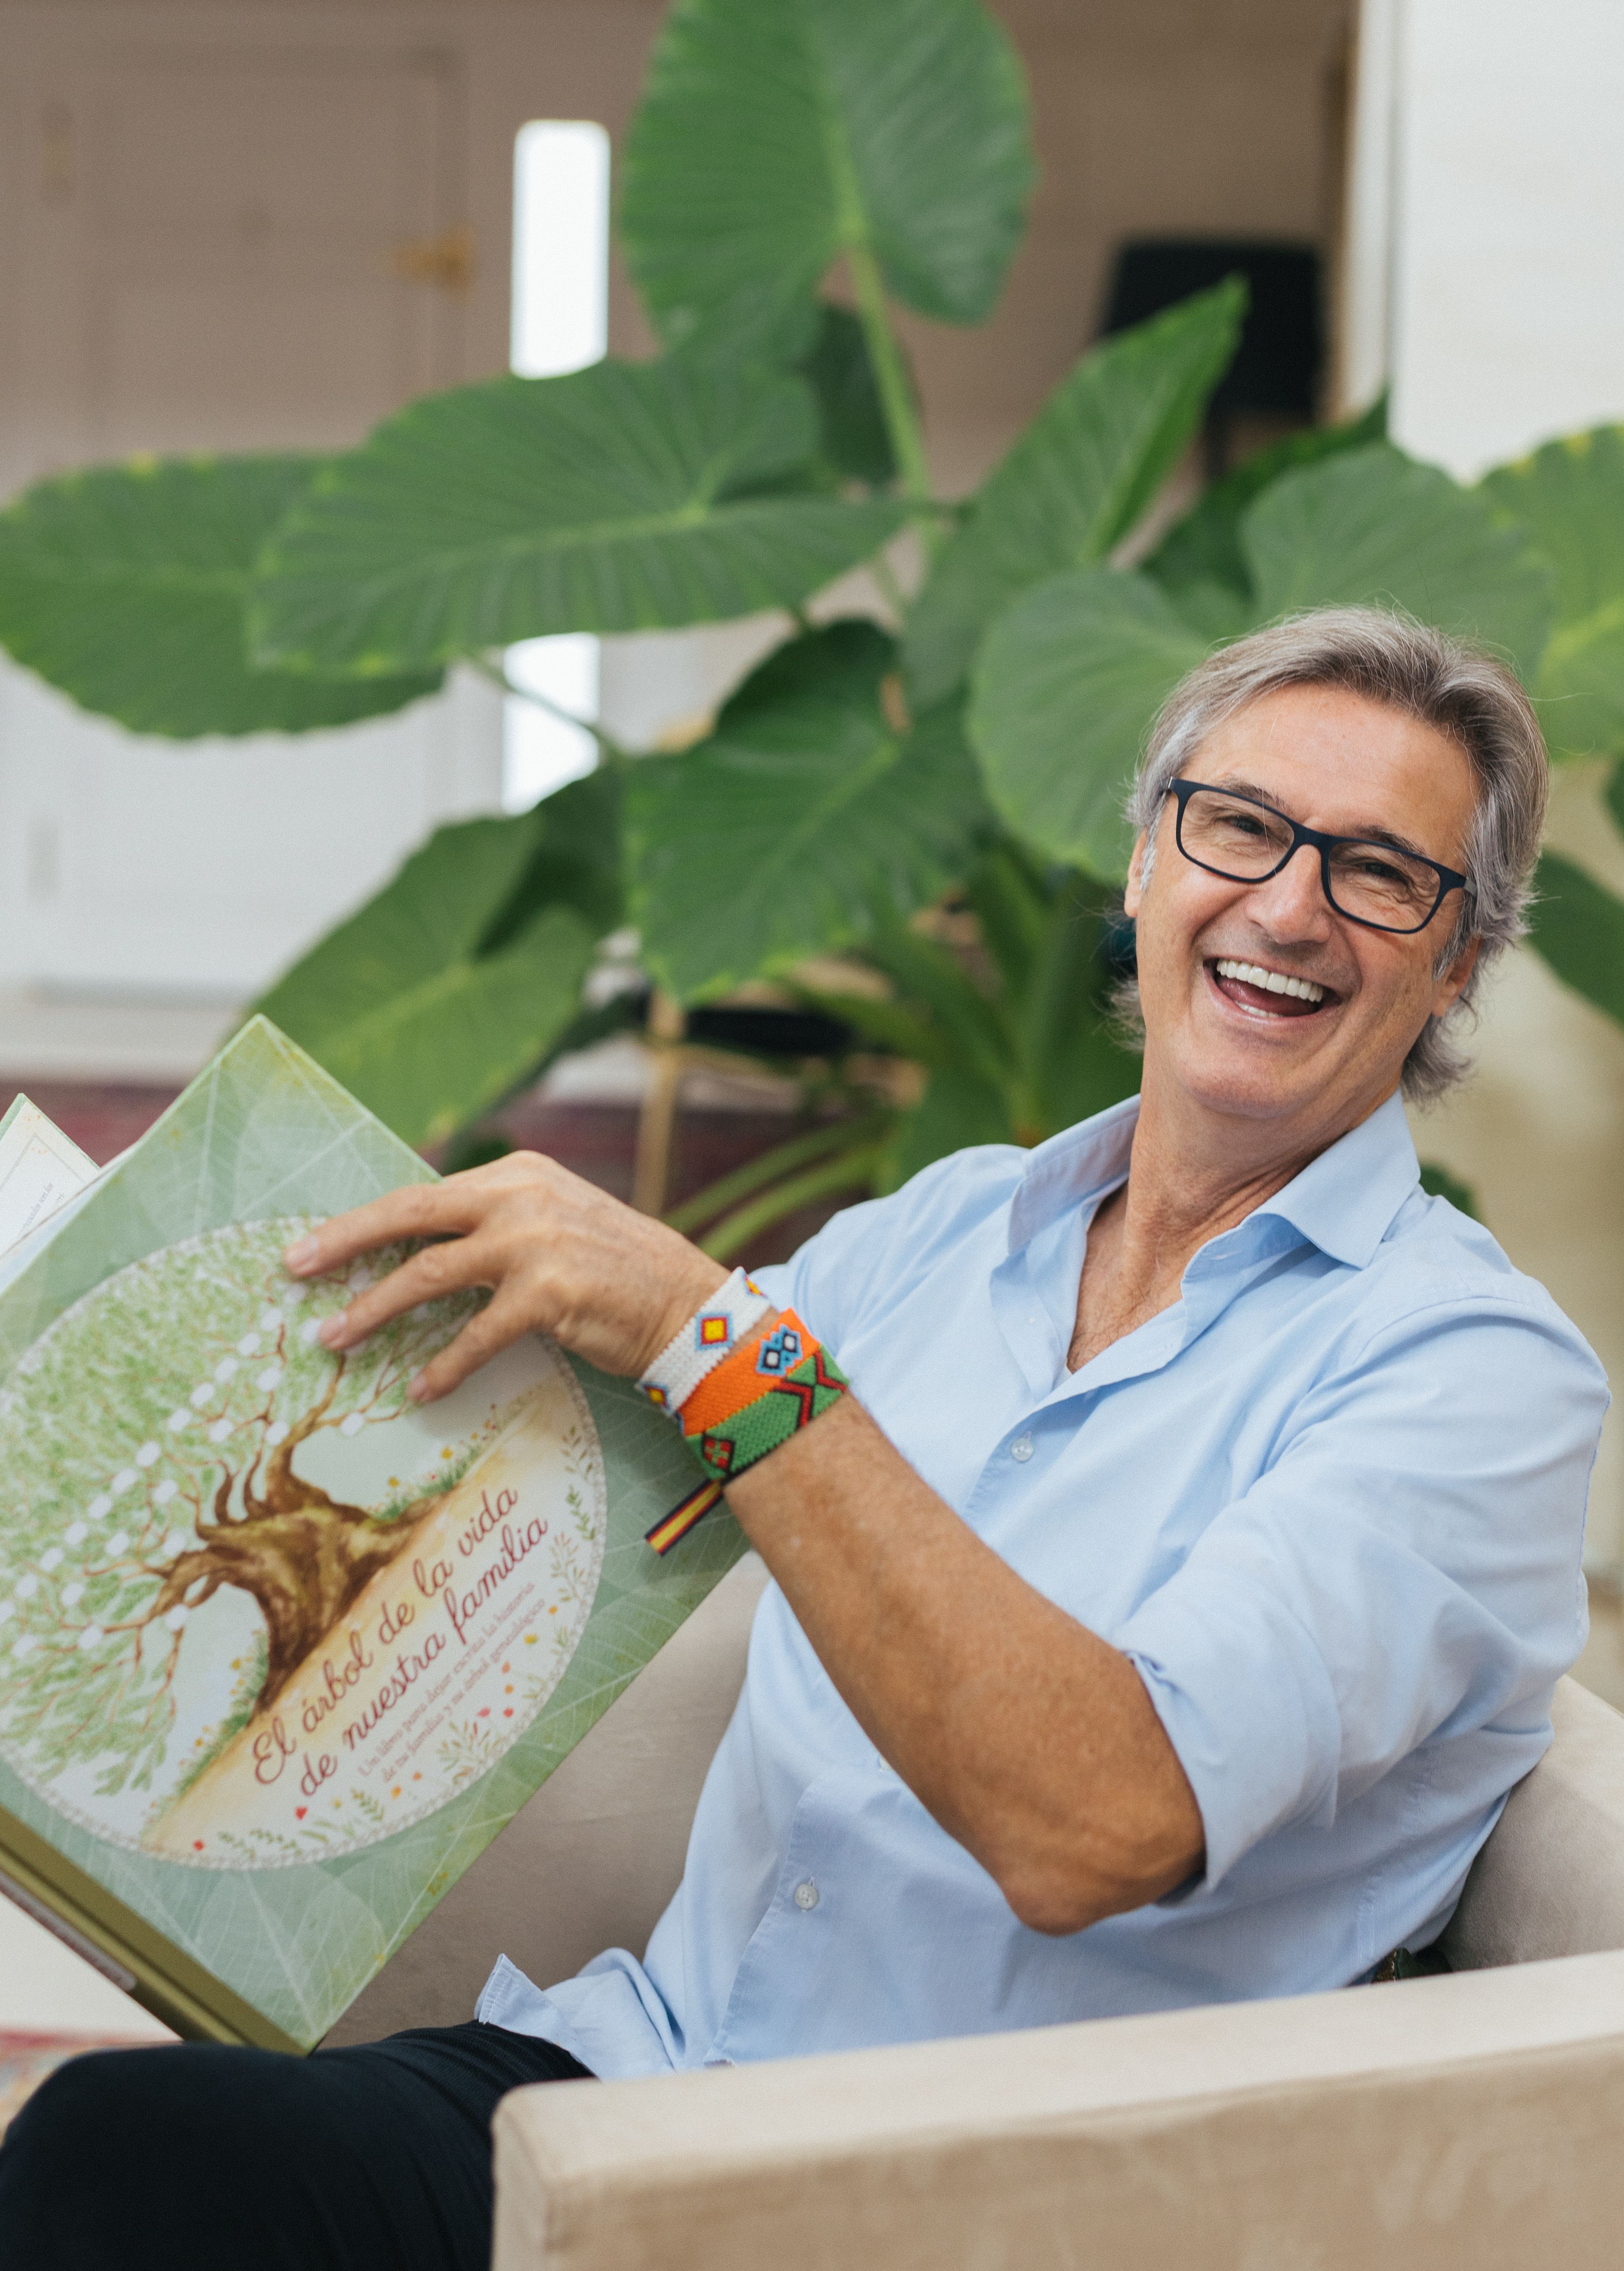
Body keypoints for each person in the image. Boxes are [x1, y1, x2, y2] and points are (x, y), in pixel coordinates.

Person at [0, 609, 1606, 2271]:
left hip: (953, 2208)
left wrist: (720, 1338)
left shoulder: (1467, 1374)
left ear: (1456, 960)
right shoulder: (948, 1229)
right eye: (1244, 825)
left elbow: (1098, 1821)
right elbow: (546, 1476)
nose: (1287, 905)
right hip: (628, 2081)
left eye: (1378, 872)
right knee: (121, 2152)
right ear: (1146, 864)